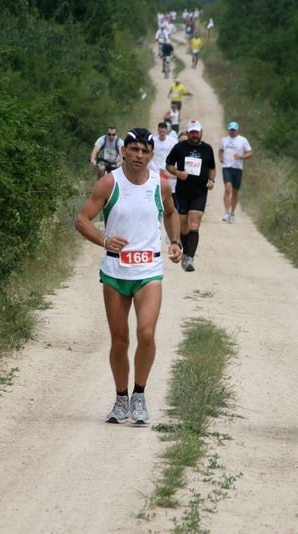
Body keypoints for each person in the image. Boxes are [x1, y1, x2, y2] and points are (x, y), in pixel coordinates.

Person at [75, 128, 183, 425]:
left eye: (143, 151)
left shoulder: (160, 185)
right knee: (120, 341)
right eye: (133, 149)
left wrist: (175, 242)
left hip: (149, 270)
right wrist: (104, 239)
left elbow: (172, 213)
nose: (138, 156)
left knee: (146, 333)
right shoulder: (109, 183)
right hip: (115, 271)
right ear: (123, 152)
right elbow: (82, 220)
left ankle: (139, 395)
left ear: (151, 155)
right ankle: (121, 399)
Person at [166, 120, 216, 272]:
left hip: (200, 192)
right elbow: (168, 165)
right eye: (192, 132)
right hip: (182, 191)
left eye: (197, 132)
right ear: (187, 133)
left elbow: (212, 168)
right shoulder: (180, 147)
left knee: (194, 224)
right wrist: (178, 173)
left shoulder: (207, 148)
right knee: (183, 226)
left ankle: (189, 257)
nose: (195, 135)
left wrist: (212, 180)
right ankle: (185, 251)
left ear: (201, 132)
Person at [218, 121, 253, 223]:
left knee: (235, 192)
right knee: (227, 188)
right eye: (230, 130)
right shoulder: (224, 140)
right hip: (227, 167)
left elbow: (250, 153)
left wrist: (241, 156)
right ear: (228, 130)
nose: (232, 132)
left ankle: (232, 213)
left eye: (234, 130)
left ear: (237, 130)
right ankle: (226, 212)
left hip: (237, 168)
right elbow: (220, 150)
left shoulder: (243, 140)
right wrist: (220, 157)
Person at [150, 122, 179, 208]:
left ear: (167, 131)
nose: (162, 133)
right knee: (156, 191)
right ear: (158, 131)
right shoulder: (153, 141)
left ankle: (171, 208)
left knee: (170, 191)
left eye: (163, 131)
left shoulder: (173, 142)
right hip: (155, 170)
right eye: (160, 132)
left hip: (167, 170)